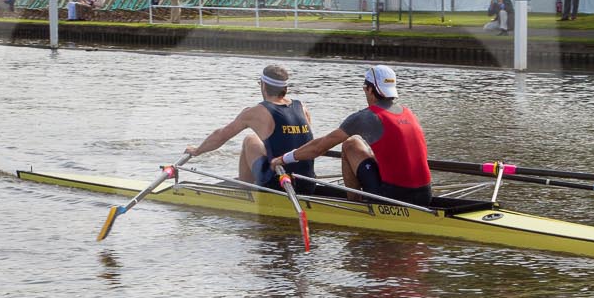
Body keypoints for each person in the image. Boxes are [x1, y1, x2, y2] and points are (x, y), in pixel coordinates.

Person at [270, 64, 432, 207]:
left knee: (348, 145)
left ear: (369, 89)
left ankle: (354, 206)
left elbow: (318, 148)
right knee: (354, 143)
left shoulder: (367, 117)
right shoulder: (409, 113)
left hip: (394, 198)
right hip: (425, 195)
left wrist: (283, 159)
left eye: (365, 89)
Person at [185, 64, 315, 189]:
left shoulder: (256, 112)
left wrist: (197, 150)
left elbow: (221, 136)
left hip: (278, 185)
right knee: (261, 140)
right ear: (285, 89)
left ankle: (245, 189)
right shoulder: (302, 108)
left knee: (249, 140)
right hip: (308, 182)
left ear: (263, 86)